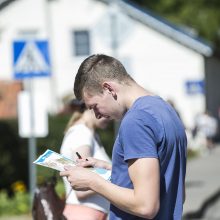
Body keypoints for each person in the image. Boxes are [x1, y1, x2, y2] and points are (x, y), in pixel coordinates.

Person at [60, 54, 187, 220]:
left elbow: (145, 206)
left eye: (95, 106)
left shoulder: (135, 122)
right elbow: (174, 188)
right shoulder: (165, 110)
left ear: (109, 89)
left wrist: (92, 181)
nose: (97, 115)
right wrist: (114, 169)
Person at [60, 99, 111, 220]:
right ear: (92, 106)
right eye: (106, 109)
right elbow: (82, 188)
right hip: (86, 213)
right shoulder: (81, 134)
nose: (110, 117)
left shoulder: (88, 134)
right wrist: (115, 177)